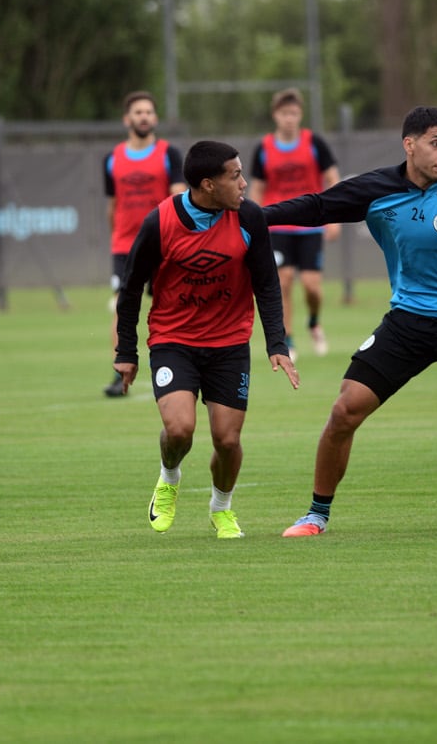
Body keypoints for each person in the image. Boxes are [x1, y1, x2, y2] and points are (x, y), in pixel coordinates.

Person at [262, 106, 437, 536]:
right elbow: (319, 206)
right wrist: (254, 216)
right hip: (408, 321)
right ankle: (316, 515)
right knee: (344, 411)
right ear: (409, 145)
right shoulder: (377, 189)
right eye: (436, 143)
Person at [113, 140, 299, 539]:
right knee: (180, 429)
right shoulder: (160, 223)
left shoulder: (249, 218)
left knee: (227, 439)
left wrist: (277, 344)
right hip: (173, 340)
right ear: (207, 185)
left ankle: (221, 509)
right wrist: (125, 351)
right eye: (235, 176)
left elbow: (267, 284)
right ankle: (169, 477)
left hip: (229, 344)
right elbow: (130, 289)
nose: (245, 184)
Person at [102, 90, 186, 397]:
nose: (144, 117)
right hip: (125, 246)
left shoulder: (169, 154)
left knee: (170, 305)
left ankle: (175, 367)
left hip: (164, 243)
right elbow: (112, 206)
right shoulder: (112, 159)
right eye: (138, 112)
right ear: (127, 119)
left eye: (149, 112)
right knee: (122, 307)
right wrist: (118, 238)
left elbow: (177, 198)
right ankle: (119, 371)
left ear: (156, 118)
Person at [247, 88, 341, 361]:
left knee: (311, 285)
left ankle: (313, 321)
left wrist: (335, 217)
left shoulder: (314, 143)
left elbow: (333, 179)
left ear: (300, 115)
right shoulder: (264, 148)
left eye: (294, 113)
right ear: (276, 115)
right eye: (285, 113)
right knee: (284, 281)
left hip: (311, 224)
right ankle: (287, 337)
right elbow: (257, 189)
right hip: (278, 225)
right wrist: (252, 224)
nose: (290, 118)